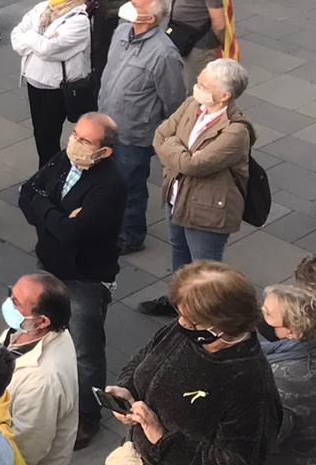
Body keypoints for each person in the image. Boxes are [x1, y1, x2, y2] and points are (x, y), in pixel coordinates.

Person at [17, 112, 125, 448]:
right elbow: (26, 194)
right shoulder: (64, 159)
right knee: (42, 336)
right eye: (75, 134)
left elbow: (69, 233)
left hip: (85, 277)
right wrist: (59, 215)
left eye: (85, 140)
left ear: (104, 151)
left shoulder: (110, 185)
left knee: (85, 350)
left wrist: (47, 210)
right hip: (50, 263)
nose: (74, 143)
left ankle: (87, 415)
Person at [108, 262, 280, 464]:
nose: (181, 323)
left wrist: (162, 439)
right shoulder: (190, 327)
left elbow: (236, 460)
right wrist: (127, 389)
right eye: (180, 314)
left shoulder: (251, 385)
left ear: (223, 324)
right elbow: (145, 355)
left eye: (191, 322)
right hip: (134, 451)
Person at [145, 58, 254, 295]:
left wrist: (173, 146)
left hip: (208, 210)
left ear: (224, 96)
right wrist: (180, 152)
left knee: (204, 270)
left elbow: (193, 165)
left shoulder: (236, 131)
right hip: (176, 197)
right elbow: (160, 135)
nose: (196, 87)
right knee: (179, 252)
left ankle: (203, 310)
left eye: (204, 85)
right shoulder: (191, 104)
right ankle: (179, 299)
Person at [97, 0, 185, 255]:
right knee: (108, 180)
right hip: (106, 123)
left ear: (151, 18)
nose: (129, 6)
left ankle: (131, 236)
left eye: (136, 4)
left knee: (130, 186)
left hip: (134, 134)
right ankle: (112, 223)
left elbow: (174, 100)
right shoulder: (122, 32)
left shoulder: (165, 54)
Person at [9, 0, 94, 166]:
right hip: (34, 81)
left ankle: (48, 173)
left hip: (56, 88)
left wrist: (32, 37)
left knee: (48, 136)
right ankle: (47, 172)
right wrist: (39, 39)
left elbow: (49, 49)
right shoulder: (42, 7)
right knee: (39, 133)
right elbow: (17, 35)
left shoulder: (79, 21)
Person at [0, 274, 78, 465]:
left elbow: (27, 448)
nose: (8, 304)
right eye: (11, 293)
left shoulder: (41, 382)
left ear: (42, 322)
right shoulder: (27, 329)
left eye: (16, 302)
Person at [260, 282, 316, 465]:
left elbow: (260, 444)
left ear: (292, 329)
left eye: (267, 314)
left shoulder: (287, 380)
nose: (260, 316)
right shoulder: (299, 344)